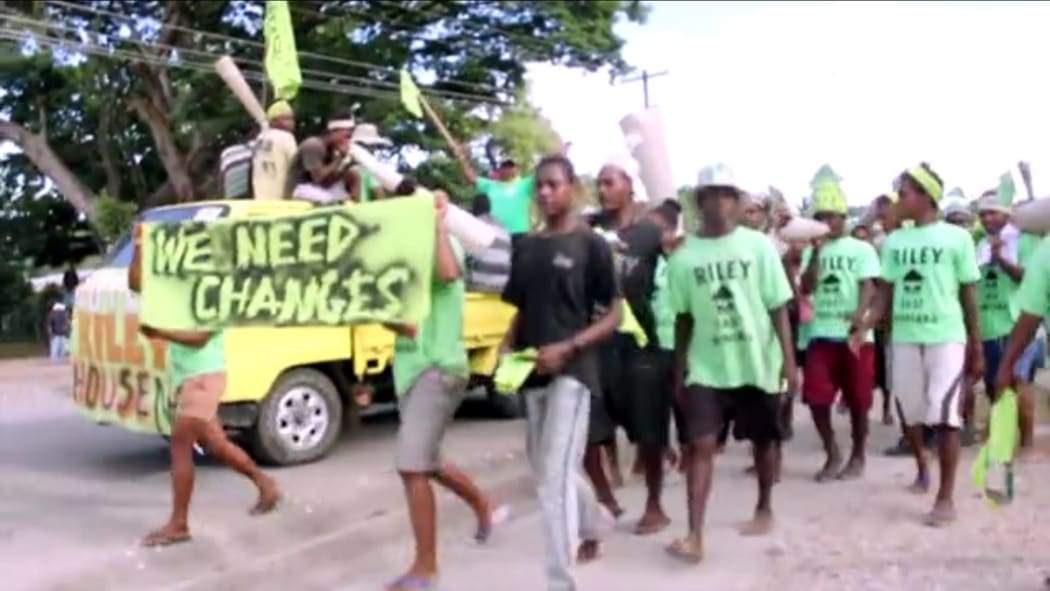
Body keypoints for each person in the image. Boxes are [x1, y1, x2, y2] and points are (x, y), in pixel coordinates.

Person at [665, 164, 797, 564]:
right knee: (700, 443)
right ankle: (694, 534)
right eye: (711, 194)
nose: (720, 202)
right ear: (699, 200)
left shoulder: (758, 247)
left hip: (757, 361)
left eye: (728, 194)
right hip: (707, 366)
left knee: (763, 440)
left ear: (739, 202)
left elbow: (778, 307)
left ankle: (764, 505)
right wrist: (679, 369)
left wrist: (790, 362)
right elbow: (683, 317)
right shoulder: (684, 256)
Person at [501, 155, 620, 590]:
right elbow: (520, 307)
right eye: (540, 187)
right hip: (532, 371)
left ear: (572, 187)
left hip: (574, 372)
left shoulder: (591, 245)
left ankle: (560, 582)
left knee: (552, 481)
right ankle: (596, 520)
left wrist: (568, 347)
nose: (546, 193)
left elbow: (613, 316)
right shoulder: (527, 245)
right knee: (549, 470)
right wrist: (507, 346)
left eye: (554, 184)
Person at [128, 224, 280, 546]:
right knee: (216, 444)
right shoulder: (177, 287)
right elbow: (137, 283)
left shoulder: (214, 291)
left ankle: (179, 524)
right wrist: (139, 246)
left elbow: (201, 338)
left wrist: (160, 334)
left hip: (204, 376)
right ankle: (266, 484)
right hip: (188, 377)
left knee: (181, 446)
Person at [383, 189, 501, 591]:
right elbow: (407, 324)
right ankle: (482, 505)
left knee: (411, 465)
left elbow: (449, 274)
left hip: (440, 367)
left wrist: (434, 224)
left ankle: (425, 568)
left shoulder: (445, 238)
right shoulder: (395, 255)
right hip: (410, 369)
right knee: (428, 462)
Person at [860, 163, 981, 527]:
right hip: (906, 339)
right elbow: (885, 294)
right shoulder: (895, 242)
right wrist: (863, 324)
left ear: (926, 196)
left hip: (946, 337)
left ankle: (945, 498)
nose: (900, 200)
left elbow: (968, 293)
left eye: (905, 193)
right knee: (909, 415)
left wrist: (975, 343)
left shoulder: (957, 239)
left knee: (945, 416)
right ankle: (921, 465)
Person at [588, 155, 668, 534]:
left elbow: (681, 265)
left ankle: (654, 504)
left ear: (629, 186)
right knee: (588, 430)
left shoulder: (650, 232)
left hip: (640, 345)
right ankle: (606, 500)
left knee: (649, 433)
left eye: (609, 182)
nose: (602, 190)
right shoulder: (587, 229)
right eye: (599, 183)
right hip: (595, 343)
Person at [799, 183, 881, 481]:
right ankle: (832, 451)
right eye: (822, 217)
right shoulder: (813, 251)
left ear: (844, 217)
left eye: (833, 216)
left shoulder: (862, 249)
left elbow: (869, 285)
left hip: (854, 336)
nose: (828, 222)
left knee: (859, 400)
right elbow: (806, 288)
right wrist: (815, 258)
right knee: (816, 398)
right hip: (821, 334)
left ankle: (858, 453)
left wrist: (861, 314)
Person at [975, 193, 1045, 459]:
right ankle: (1003, 436)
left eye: (993, 213)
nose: (987, 219)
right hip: (990, 326)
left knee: (1019, 381)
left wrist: (1002, 259)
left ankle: (1027, 442)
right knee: (994, 385)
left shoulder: (1026, 241)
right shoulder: (981, 244)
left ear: (1007, 214)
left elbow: (1030, 278)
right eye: (982, 215)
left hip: (1020, 325)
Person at [454, 151, 535, 236]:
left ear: (516, 170)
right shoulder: (490, 185)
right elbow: (470, 177)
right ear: (500, 169)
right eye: (505, 166)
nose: (508, 169)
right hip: (496, 234)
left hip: (520, 234)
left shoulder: (525, 184)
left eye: (511, 166)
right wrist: (461, 156)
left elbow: (543, 173)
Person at [287, 111, 357, 204]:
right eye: (347, 136)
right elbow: (318, 178)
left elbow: (327, 181)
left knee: (351, 180)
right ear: (334, 132)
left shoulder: (332, 149)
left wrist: (347, 165)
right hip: (299, 189)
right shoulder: (313, 145)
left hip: (318, 188)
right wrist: (339, 158)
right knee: (328, 200)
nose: (348, 140)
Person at [251, 100, 298, 201]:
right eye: (286, 119)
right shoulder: (287, 137)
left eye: (291, 119)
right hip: (280, 195)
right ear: (273, 121)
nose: (291, 123)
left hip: (259, 196)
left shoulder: (260, 137)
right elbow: (296, 164)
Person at [348, 123, 391, 202]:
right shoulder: (369, 168)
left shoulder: (342, 166)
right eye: (373, 146)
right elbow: (379, 195)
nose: (374, 150)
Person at [219, 123, 258, 200]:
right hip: (251, 196)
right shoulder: (257, 147)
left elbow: (221, 179)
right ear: (254, 133)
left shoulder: (226, 153)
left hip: (231, 197)